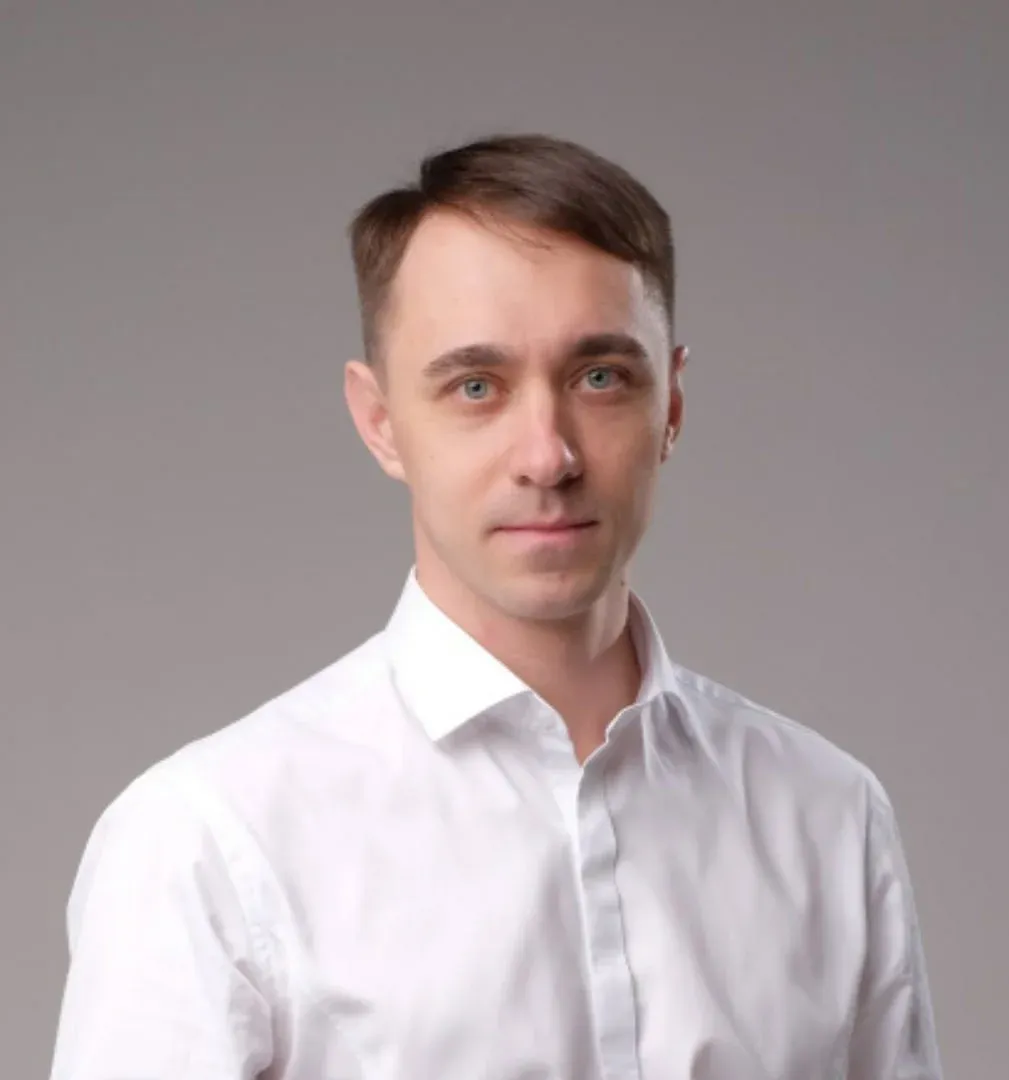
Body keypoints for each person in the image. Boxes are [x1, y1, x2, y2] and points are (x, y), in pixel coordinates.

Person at [49, 133, 943, 1080]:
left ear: (672, 406)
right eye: (475, 387)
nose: (547, 456)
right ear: (381, 422)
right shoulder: (208, 840)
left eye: (600, 377)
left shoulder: (827, 814)